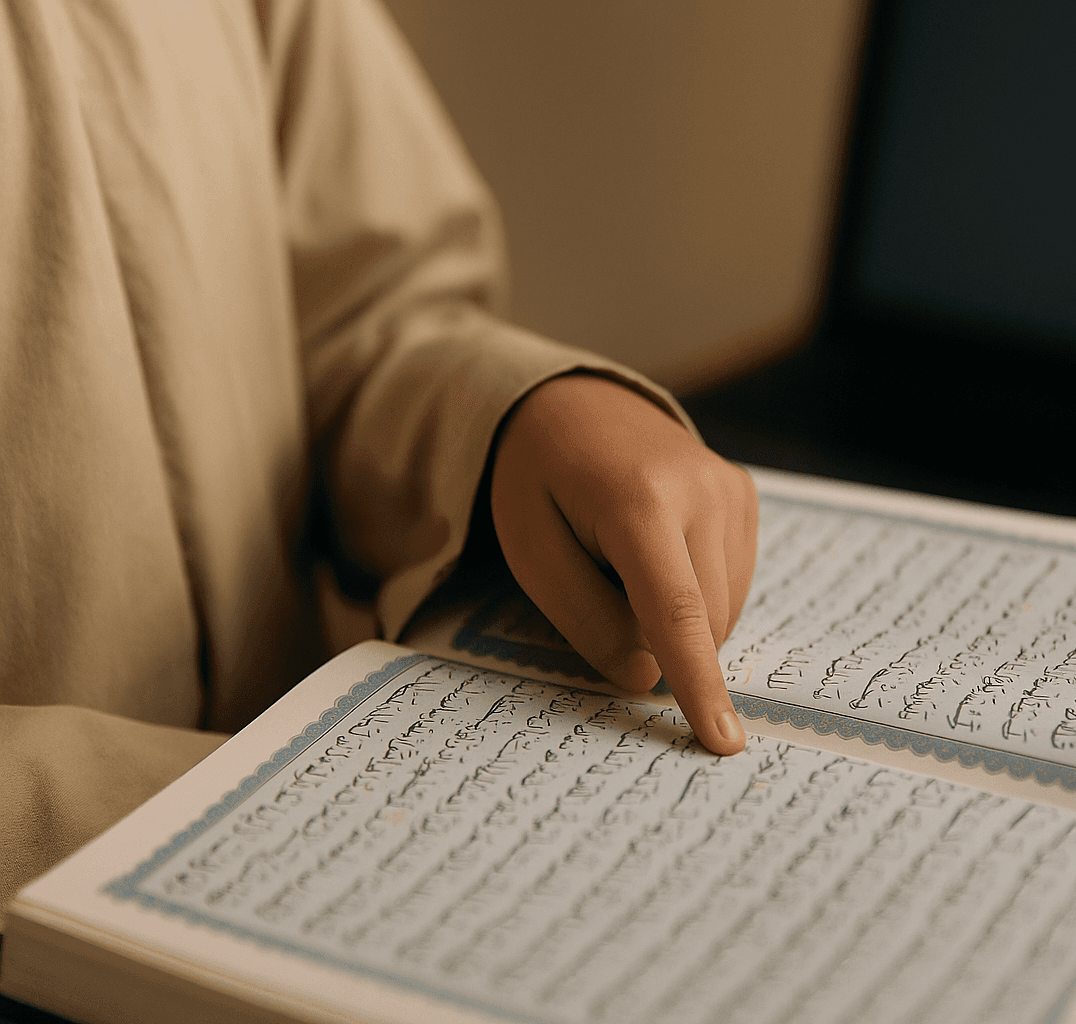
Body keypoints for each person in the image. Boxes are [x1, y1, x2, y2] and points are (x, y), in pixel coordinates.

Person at [0, 0, 756, 919]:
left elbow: (364, 314)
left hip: (334, 847)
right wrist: (212, 815)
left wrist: (513, 414)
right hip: (144, 898)